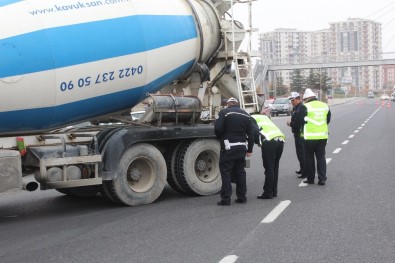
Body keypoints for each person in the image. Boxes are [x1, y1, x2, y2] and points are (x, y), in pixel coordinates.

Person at [214, 97, 254, 206]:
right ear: (237, 104)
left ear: (228, 104)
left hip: (228, 147)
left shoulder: (225, 112)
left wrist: (221, 137)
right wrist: (250, 149)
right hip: (241, 147)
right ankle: (242, 197)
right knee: (240, 172)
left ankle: (226, 199)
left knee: (226, 172)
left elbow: (218, 128)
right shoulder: (246, 114)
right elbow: (251, 133)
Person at [251, 111, 285, 199]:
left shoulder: (251, 118)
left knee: (269, 168)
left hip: (269, 142)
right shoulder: (264, 117)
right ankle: (274, 191)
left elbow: (254, 132)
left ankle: (268, 193)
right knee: (274, 167)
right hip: (280, 140)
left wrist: (257, 142)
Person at [301, 88, 331, 185]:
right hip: (322, 137)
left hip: (309, 137)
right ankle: (322, 179)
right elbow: (328, 119)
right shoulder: (325, 105)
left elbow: (299, 120)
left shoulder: (305, 107)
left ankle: (311, 179)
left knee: (309, 158)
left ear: (307, 98)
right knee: (321, 157)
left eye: (304, 99)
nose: (304, 101)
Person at [287, 92, 307, 178]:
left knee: (302, 153)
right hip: (297, 133)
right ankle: (302, 169)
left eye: (293, 100)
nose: (292, 102)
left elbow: (299, 122)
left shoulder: (301, 108)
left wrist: (290, 124)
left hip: (300, 134)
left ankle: (305, 172)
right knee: (299, 153)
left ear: (298, 99)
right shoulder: (296, 108)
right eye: (291, 100)